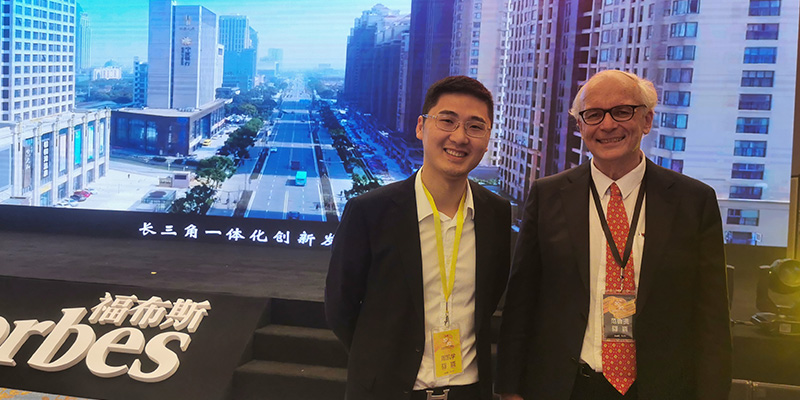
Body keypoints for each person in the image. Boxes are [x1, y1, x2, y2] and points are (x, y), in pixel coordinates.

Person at [496, 70, 732, 400]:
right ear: (580, 126)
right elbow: (522, 300)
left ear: (647, 120)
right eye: (593, 114)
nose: (607, 125)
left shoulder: (693, 201)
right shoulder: (548, 195)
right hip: (565, 387)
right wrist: (510, 389)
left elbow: (711, 316)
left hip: (658, 389)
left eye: (622, 111)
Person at [325, 75, 511, 400]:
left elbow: (489, 299)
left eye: (475, 126)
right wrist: (379, 365)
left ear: (487, 139)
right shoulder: (370, 212)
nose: (459, 137)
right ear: (421, 127)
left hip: (469, 392)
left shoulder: (495, 213)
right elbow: (341, 306)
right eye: (447, 121)